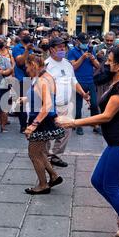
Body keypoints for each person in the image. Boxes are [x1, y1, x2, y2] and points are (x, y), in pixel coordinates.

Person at [57, 45, 119, 237]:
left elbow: (107, 117)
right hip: (115, 143)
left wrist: (73, 122)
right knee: (98, 181)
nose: (106, 61)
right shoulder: (116, 82)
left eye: (110, 59)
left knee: (110, 185)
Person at [21, 54, 65, 195]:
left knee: (33, 153)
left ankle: (42, 185)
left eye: (27, 66)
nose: (26, 70)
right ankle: (53, 175)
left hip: (41, 121)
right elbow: (41, 97)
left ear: (33, 65)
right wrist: (25, 99)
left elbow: (47, 105)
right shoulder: (46, 76)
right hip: (46, 120)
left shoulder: (41, 80)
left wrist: (33, 125)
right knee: (39, 152)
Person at [46, 37, 90, 168]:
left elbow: (73, 81)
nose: (62, 49)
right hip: (51, 106)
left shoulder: (67, 63)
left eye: (63, 47)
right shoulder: (46, 65)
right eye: (59, 47)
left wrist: (83, 93)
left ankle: (55, 155)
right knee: (48, 133)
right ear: (51, 49)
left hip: (66, 105)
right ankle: (46, 157)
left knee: (66, 131)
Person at [67, 32, 100, 136]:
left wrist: (92, 59)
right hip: (78, 82)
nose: (85, 44)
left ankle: (95, 124)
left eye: (86, 42)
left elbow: (98, 66)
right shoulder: (72, 52)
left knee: (94, 104)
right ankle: (78, 125)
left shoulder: (91, 50)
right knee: (78, 106)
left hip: (90, 81)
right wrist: (82, 57)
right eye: (83, 42)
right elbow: (73, 67)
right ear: (78, 41)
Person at [12, 29, 33, 133]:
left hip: (32, 78)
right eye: (24, 34)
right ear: (20, 36)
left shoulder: (32, 48)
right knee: (22, 103)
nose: (27, 35)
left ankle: (32, 123)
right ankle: (23, 125)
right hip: (21, 79)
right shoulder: (16, 48)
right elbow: (20, 62)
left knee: (33, 102)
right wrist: (26, 50)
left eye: (28, 34)